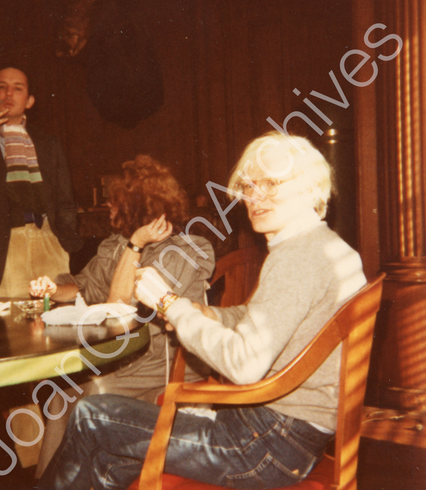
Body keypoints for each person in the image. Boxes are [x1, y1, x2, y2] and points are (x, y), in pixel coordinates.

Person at [37, 131, 367, 490]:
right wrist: (206, 313)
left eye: (270, 184)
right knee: (106, 463)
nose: (254, 196)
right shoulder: (323, 248)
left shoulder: (297, 258)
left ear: (308, 188)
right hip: (289, 437)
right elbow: (270, 318)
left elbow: (244, 364)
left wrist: (170, 305)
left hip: (263, 445)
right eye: (249, 185)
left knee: (90, 415)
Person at [29, 155, 215, 479]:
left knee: (96, 387)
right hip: (128, 357)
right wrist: (51, 289)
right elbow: (83, 286)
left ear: (135, 207)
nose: (109, 209)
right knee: (62, 395)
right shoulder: (114, 245)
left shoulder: (188, 249)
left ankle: (81, 480)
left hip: (164, 361)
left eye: (115, 203)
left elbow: (118, 308)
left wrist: (136, 244)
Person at [0, 65, 81, 297]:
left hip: (48, 242)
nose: (9, 94)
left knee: (56, 325)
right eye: (2, 87)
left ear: (29, 101)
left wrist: (64, 243)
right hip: (0, 254)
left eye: (17, 88)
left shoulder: (49, 144)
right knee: (7, 329)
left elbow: (66, 202)